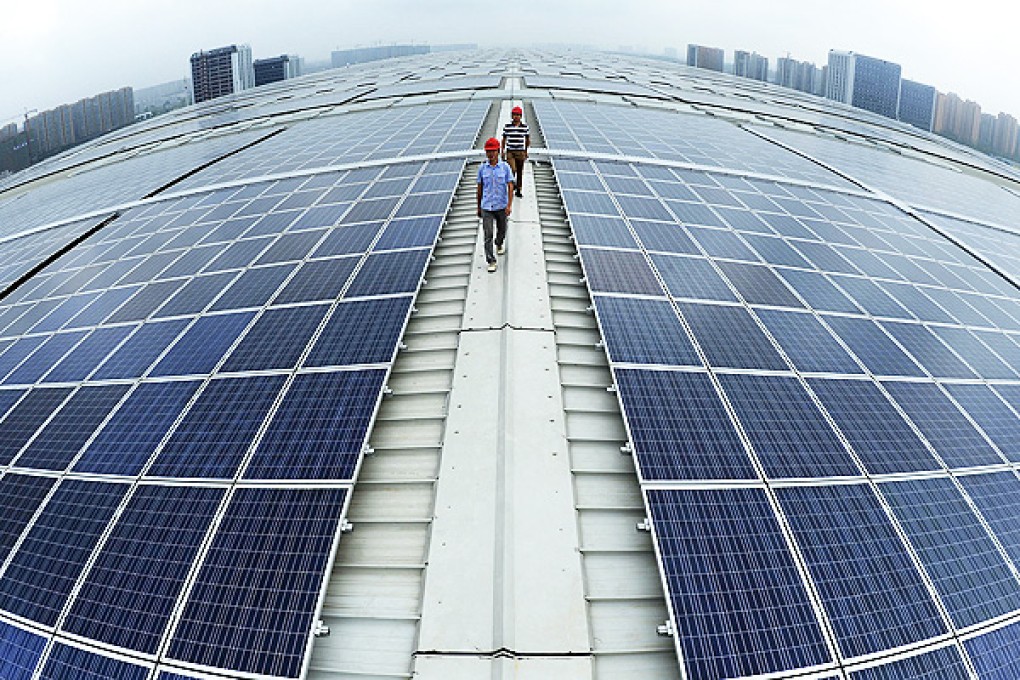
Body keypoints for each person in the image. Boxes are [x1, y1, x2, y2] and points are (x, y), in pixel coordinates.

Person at [476, 137, 514, 273]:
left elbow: (510, 186)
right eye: (488, 151)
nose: (490, 154)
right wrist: (478, 206)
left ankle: (499, 243)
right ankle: (491, 260)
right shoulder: (482, 169)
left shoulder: (505, 167)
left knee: (502, 230)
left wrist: (509, 205)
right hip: (487, 206)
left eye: (493, 151)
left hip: (501, 206)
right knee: (488, 234)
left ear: (498, 151)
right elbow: (479, 188)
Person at [502, 105, 530, 198]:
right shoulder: (507, 127)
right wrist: (502, 151)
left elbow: (527, 139)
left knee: (519, 171)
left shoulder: (524, 127)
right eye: (514, 114)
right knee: (512, 169)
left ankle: (518, 189)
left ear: (521, 116)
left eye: (518, 115)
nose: (516, 116)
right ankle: (511, 186)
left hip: (520, 151)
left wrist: (526, 151)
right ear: (512, 116)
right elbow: (504, 139)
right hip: (510, 151)